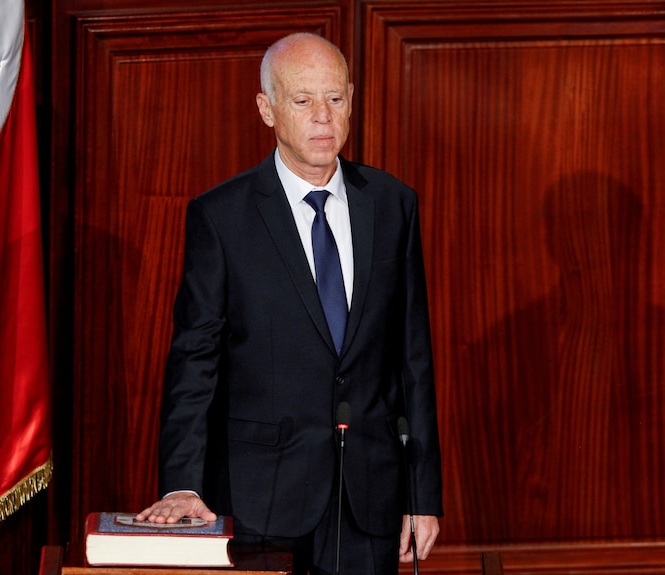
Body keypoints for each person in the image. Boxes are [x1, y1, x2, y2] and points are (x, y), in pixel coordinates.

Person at [137, 32, 442, 574]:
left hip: (370, 500)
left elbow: (412, 359)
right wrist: (182, 483)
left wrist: (422, 495)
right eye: (303, 101)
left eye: (336, 99)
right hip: (261, 500)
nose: (323, 117)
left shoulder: (394, 205)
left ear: (351, 99)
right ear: (267, 109)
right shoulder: (222, 217)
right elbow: (195, 362)